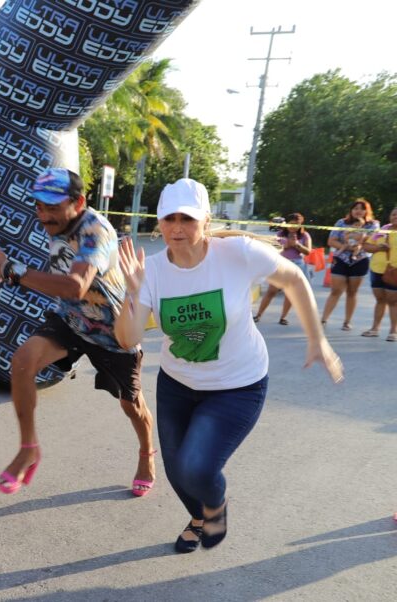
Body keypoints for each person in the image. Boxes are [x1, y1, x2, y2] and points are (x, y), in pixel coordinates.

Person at [114, 178, 343, 554]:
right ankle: (199, 517)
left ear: (205, 220)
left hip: (238, 384)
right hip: (178, 383)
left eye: (186, 219)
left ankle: (215, 506)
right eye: (168, 219)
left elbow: (294, 278)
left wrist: (317, 338)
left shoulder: (238, 253)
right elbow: (127, 338)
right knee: (176, 470)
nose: (176, 227)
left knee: (197, 466)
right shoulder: (151, 270)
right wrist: (133, 290)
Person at [0, 167, 158, 497]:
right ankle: (29, 447)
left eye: (52, 207)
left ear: (79, 202)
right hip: (71, 320)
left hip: (112, 331)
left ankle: (147, 454)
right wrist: (15, 274)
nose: (44, 215)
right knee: (22, 361)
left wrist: (11, 269)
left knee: (132, 406)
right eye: (39, 206)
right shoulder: (56, 222)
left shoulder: (95, 231)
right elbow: (63, 267)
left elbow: (75, 286)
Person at [321, 199, 379, 330]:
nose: (358, 211)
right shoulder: (341, 223)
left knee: (352, 292)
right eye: (355, 208)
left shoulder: (373, 225)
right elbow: (331, 241)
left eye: (361, 208)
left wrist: (358, 245)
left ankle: (347, 322)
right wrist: (345, 247)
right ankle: (323, 319)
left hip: (360, 260)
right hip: (341, 259)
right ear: (351, 210)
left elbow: (370, 241)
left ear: (366, 211)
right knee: (335, 290)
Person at [253, 213, 312, 325]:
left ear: (300, 225)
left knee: (290, 293)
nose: (293, 227)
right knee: (271, 291)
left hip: (296, 264)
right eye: (291, 224)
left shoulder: (305, 236)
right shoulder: (280, 234)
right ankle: (258, 314)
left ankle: (283, 317)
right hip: (280, 264)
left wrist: (297, 245)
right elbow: (274, 247)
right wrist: (288, 245)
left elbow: (308, 251)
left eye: (296, 224)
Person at [362, 206, 397, 340]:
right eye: (393, 214)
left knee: (393, 302)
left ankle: (393, 331)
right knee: (380, 299)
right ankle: (374, 328)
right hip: (377, 269)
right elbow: (366, 246)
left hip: (395, 271)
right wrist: (378, 247)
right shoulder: (382, 230)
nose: (395, 217)